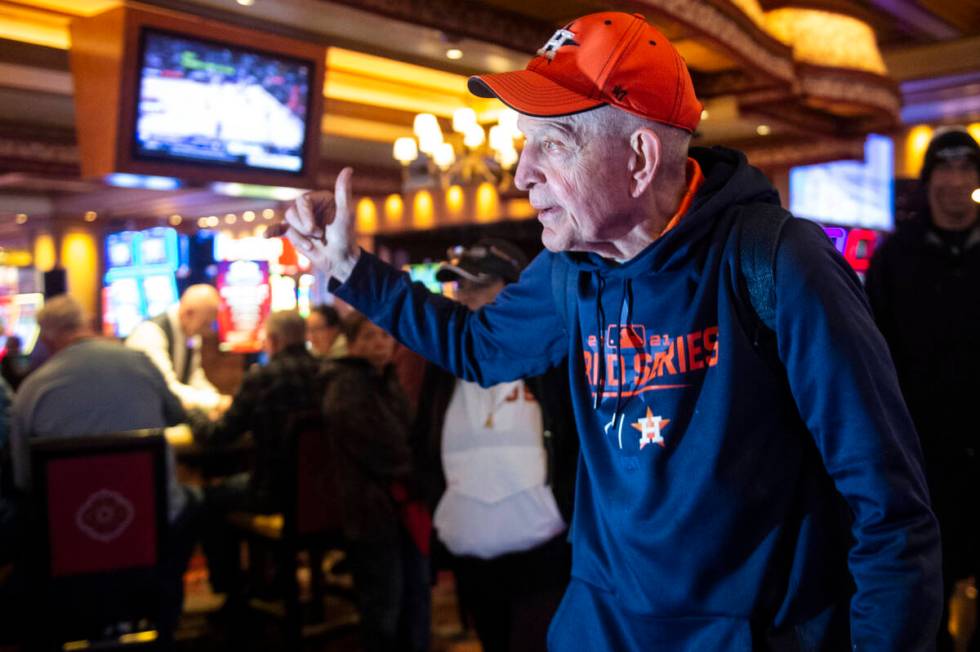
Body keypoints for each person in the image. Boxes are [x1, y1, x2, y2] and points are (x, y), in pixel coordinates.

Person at [280, 12, 941, 650]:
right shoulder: (570, 268)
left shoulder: (777, 261)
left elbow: (888, 510)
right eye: (522, 143)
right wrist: (351, 270)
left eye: (552, 144)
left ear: (640, 156)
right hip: (600, 629)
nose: (521, 174)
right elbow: (478, 349)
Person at [413, 238, 577, 652]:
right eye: (459, 287)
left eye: (478, 284)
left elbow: (576, 445)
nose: (465, 297)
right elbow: (424, 443)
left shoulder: (552, 357)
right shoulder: (443, 364)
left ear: (514, 290)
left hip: (543, 552)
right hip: (471, 552)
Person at [8, 295, 199, 639]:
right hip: (149, 538)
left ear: (48, 339)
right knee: (192, 502)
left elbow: (25, 481)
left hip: (70, 551)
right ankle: (166, 621)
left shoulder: (32, 389)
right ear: (86, 324)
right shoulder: (140, 363)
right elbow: (177, 416)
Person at [865, 128, 980, 652]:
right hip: (920, 455)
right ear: (928, 180)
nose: (955, 182)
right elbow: (873, 356)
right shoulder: (895, 258)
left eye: (966, 170)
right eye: (945, 170)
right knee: (925, 585)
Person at [190, 310, 324, 608]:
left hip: (273, 495)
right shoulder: (327, 371)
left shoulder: (262, 377)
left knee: (209, 500)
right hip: (323, 496)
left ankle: (233, 593)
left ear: (273, 340)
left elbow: (218, 435)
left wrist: (192, 414)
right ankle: (277, 579)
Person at [322, 313, 428, 652]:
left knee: (414, 595)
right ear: (352, 344)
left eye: (384, 335)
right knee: (385, 606)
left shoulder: (386, 378)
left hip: (400, 504)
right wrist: (424, 474)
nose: (379, 343)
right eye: (369, 336)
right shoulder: (347, 386)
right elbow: (386, 450)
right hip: (372, 511)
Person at [126, 284, 230, 413]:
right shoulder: (150, 333)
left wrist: (216, 398)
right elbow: (166, 388)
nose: (208, 331)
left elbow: (194, 376)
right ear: (188, 313)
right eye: (206, 323)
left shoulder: (191, 331)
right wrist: (216, 402)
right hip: (144, 416)